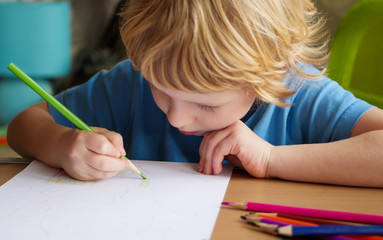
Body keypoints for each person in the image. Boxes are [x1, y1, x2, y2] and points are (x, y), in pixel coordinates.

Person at [7, 0, 383, 187]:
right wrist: (63, 143)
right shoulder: (130, 82)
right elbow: (24, 125)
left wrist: (270, 160)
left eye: (206, 103)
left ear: (269, 71)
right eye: (160, 89)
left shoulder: (300, 94)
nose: (176, 118)